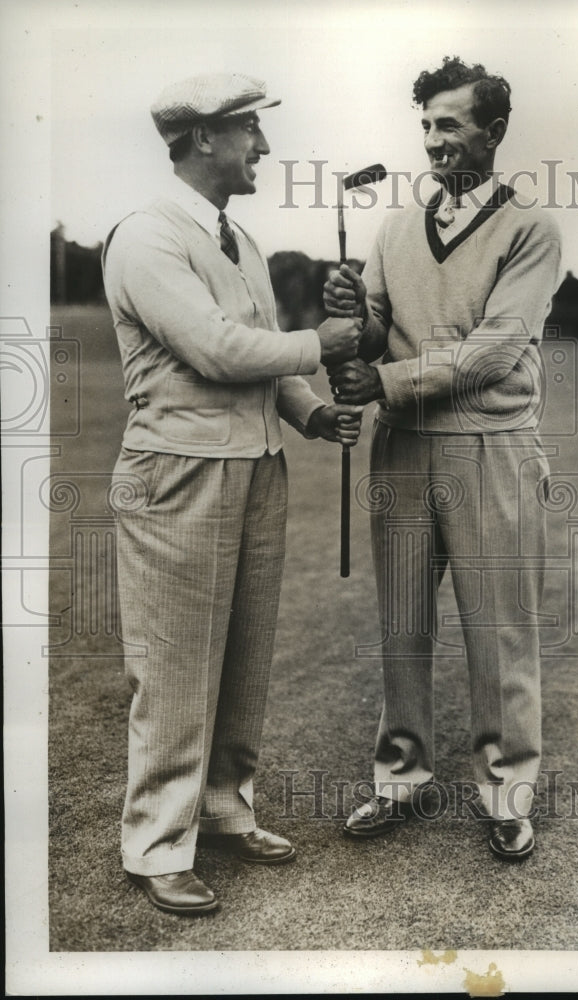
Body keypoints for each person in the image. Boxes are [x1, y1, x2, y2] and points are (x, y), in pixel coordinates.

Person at [102, 71, 362, 914]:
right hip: (177, 471)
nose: (265, 147)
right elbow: (216, 351)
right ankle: (155, 844)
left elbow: (258, 349)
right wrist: (319, 345)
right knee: (176, 663)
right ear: (204, 137)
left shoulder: (236, 240)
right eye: (251, 130)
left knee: (244, 654)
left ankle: (221, 810)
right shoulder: (146, 235)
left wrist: (312, 415)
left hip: (254, 466)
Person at [324, 56, 561, 861]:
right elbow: (373, 332)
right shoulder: (393, 225)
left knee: (499, 627)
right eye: (426, 125)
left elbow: (493, 352)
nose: (433, 141)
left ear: (492, 132)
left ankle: (507, 791)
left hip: (491, 445)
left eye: (450, 125)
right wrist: (351, 323)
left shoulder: (531, 226)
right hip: (402, 450)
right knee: (402, 625)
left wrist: (382, 376)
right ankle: (400, 778)